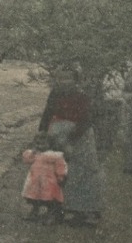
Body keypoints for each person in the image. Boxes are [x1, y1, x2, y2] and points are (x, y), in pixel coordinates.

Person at [39, 66, 106, 227]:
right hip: (57, 135)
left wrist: (69, 139)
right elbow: (47, 113)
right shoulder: (55, 94)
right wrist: (42, 132)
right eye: (61, 78)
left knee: (81, 172)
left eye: (68, 78)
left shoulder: (82, 96)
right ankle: (56, 210)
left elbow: (86, 119)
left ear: (76, 80)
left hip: (79, 136)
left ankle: (82, 211)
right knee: (56, 171)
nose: (64, 82)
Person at [21, 132, 67, 224]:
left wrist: (61, 175)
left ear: (49, 144)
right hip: (35, 181)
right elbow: (27, 160)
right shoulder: (35, 154)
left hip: (49, 182)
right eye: (37, 143)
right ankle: (34, 212)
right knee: (34, 198)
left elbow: (60, 165)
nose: (40, 146)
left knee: (49, 199)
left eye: (43, 144)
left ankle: (50, 215)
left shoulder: (53, 155)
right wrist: (32, 152)